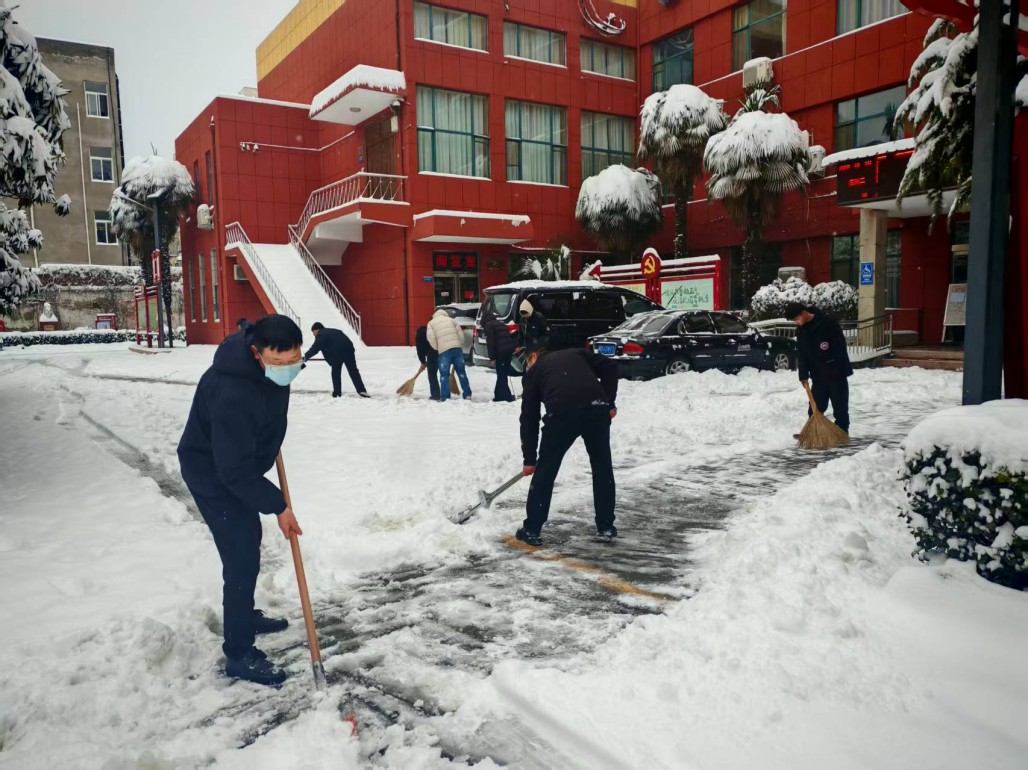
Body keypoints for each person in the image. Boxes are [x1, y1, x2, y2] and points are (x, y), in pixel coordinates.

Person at [177, 314, 305, 686]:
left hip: (239, 465)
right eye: (278, 363)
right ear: (256, 352)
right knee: (241, 554)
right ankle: (238, 652)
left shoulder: (267, 371)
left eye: (294, 360)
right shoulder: (231, 390)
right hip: (213, 474)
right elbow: (230, 470)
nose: (287, 369)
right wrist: (278, 504)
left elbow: (263, 413)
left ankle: (244, 614)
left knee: (248, 539)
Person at [517, 346, 619, 546]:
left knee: (546, 470)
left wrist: (530, 460)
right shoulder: (576, 353)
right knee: (602, 467)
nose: (527, 367)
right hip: (596, 410)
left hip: (562, 415)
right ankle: (606, 526)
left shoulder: (534, 372)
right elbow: (609, 366)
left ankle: (532, 529)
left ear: (534, 357)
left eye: (526, 362)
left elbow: (529, 418)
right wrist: (608, 402)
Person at [785, 302, 853, 434]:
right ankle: (812, 432)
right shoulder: (801, 330)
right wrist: (803, 375)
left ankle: (842, 432)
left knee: (840, 406)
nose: (796, 323)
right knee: (815, 406)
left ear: (804, 313)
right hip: (818, 374)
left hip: (836, 373)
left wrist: (833, 365)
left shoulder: (828, 323)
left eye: (796, 319)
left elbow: (840, 348)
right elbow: (802, 354)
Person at [303, 322, 369, 398]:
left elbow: (314, 349)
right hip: (349, 350)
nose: (313, 334)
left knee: (336, 373)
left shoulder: (321, 334)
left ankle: (337, 393)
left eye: (313, 332)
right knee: (353, 370)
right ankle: (362, 390)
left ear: (317, 330)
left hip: (337, 354)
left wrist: (304, 358)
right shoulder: (336, 331)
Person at [427, 308, 472, 401]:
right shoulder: (452, 321)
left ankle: (445, 397)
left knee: (444, 375)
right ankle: (467, 394)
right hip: (457, 349)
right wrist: (459, 345)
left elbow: (431, 338)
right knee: (462, 372)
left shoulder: (431, 323)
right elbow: (461, 336)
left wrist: (438, 348)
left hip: (444, 351)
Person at [481, 310, 516, 402]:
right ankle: (499, 396)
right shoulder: (499, 323)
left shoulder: (489, 326)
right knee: (502, 374)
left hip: (502, 353)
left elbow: (491, 343)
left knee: (501, 375)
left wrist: (492, 358)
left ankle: (507, 397)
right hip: (508, 351)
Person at [415, 324, 440, 400]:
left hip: (430, 355)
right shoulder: (432, 332)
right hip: (440, 352)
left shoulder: (418, 336)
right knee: (444, 374)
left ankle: (435, 395)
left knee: (432, 375)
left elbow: (419, 350)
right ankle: (446, 394)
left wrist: (423, 362)